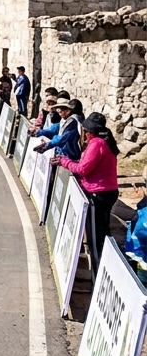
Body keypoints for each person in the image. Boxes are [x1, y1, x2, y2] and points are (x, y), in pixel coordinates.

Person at [55, 113, 120, 272]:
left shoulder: (96, 144)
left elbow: (83, 169)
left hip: (98, 194)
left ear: (89, 132)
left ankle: (98, 276)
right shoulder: (106, 142)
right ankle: (107, 268)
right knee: (103, 233)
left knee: (95, 239)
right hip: (108, 191)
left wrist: (64, 161)